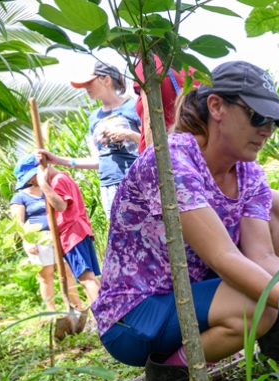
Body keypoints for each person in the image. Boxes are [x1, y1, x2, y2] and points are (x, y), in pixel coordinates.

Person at [90, 61, 279, 381]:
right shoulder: (170, 162)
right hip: (134, 315)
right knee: (258, 306)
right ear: (217, 107)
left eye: (272, 122)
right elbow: (224, 256)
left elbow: (264, 258)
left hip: (192, 298)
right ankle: (169, 377)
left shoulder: (248, 172)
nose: (266, 130)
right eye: (258, 116)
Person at [39, 62, 141, 219]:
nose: (85, 87)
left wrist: (127, 134)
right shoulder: (94, 117)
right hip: (107, 186)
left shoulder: (133, 106)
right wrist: (57, 160)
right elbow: (98, 160)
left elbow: (153, 144)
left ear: (106, 80)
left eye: (89, 83)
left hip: (134, 180)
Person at [10, 155, 84, 312]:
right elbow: (18, 223)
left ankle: (78, 305)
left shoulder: (48, 189)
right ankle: (52, 312)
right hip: (37, 239)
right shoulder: (20, 197)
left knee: (67, 271)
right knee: (46, 275)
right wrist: (28, 241)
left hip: (58, 235)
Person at [30, 154, 102, 309]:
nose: (33, 183)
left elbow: (61, 206)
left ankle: (107, 318)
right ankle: (103, 316)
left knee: (86, 278)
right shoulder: (60, 179)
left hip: (72, 234)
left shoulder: (57, 181)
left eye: (32, 179)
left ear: (40, 171)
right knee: (86, 278)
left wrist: (43, 185)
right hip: (74, 233)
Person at [133, 54, 199, 153]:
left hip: (168, 154)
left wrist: (153, 161)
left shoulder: (148, 62)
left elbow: (150, 115)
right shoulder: (193, 67)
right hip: (195, 152)